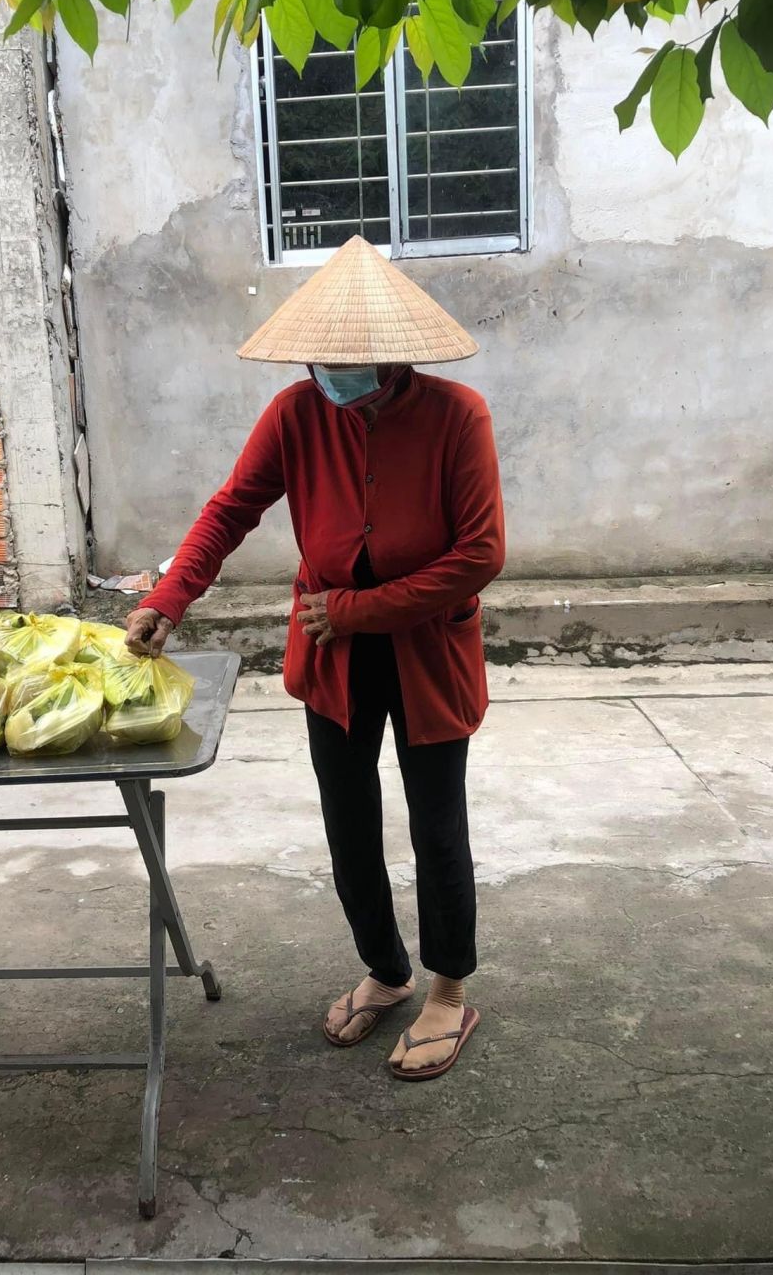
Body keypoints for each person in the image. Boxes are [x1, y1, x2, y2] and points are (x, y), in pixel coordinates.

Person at [125, 235, 505, 1081]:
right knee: (348, 823)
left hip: (427, 649)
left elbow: (480, 554)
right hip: (333, 655)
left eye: (344, 361)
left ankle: (448, 988)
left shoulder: (458, 416)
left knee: (437, 824)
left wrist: (357, 609)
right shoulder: (296, 415)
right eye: (317, 361)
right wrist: (169, 598)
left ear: (389, 356)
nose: (329, 375)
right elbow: (231, 509)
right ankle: (387, 970)